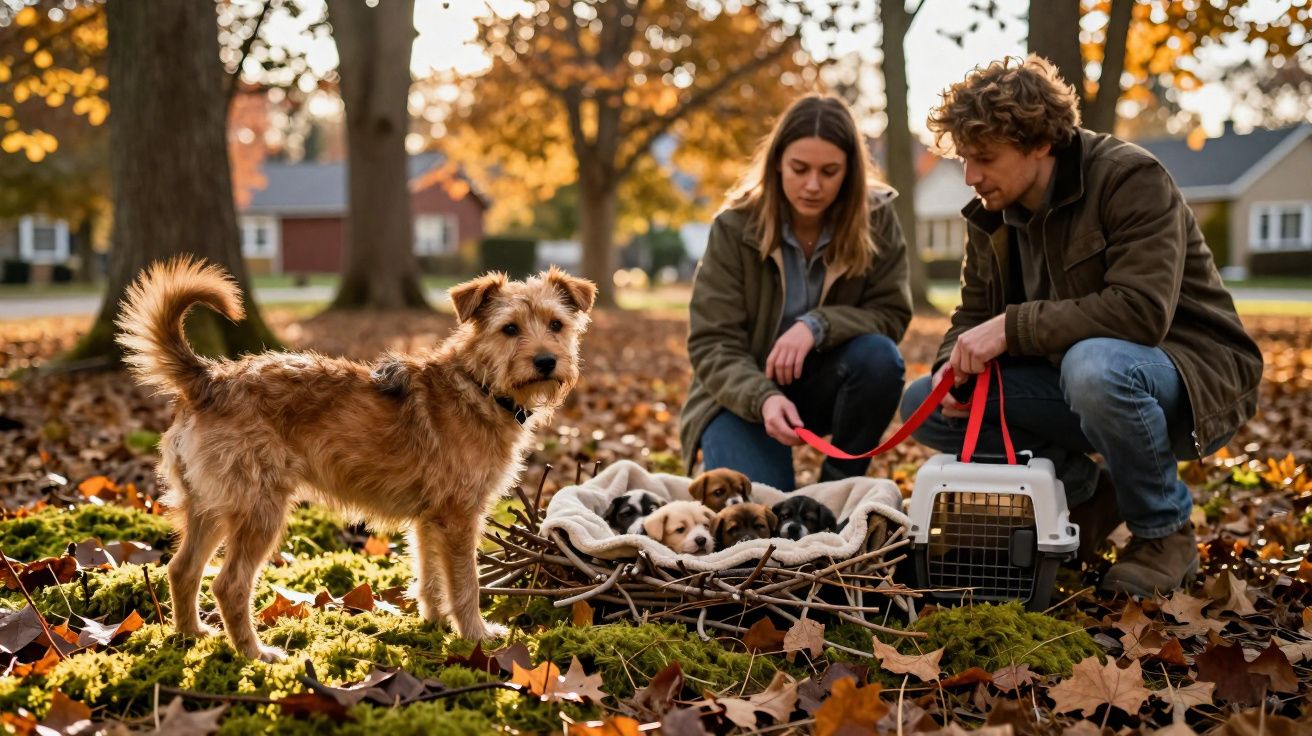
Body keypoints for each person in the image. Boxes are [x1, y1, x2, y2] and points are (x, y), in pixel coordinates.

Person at [901, 56, 1263, 597]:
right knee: (923, 404)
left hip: (1185, 373)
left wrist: (1011, 328)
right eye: (963, 160)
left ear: (1040, 142)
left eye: (984, 158)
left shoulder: (1129, 177)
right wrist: (951, 368)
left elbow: (1141, 311)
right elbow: (972, 318)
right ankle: (1090, 494)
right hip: (1072, 381)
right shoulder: (989, 212)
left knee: (1093, 366)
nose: (971, 176)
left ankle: (1164, 533)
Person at [680, 94, 913, 492]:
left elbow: (890, 313)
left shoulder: (877, 218)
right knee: (762, 515)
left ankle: (839, 490)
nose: (812, 186)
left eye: (830, 171)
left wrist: (816, 326)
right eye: (799, 168)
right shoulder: (735, 227)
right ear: (776, 164)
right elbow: (712, 343)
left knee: (880, 359)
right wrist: (763, 398)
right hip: (741, 393)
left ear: (850, 172)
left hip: (829, 381)